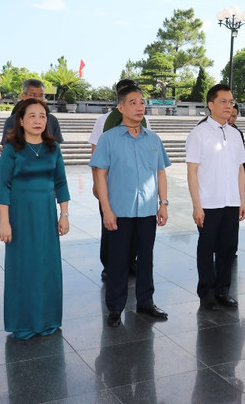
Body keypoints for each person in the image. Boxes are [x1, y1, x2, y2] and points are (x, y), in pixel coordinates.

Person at [90, 84, 171, 327]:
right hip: (120, 211)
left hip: (146, 210)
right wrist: (106, 209)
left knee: (146, 259)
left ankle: (146, 303)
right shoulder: (109, 139)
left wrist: (163, 204)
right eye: (133, 103)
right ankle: (115, 308)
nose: (139, 107)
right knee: (117, 261)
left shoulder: (153, 138)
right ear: (121, 107)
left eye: (142, 102)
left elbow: (161, 173)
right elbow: (100, 175)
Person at [0, 99, 70, 339]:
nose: (38, 121)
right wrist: (4, 221)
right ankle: (23, 322)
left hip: (46, 215)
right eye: (32, 116)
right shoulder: (12, 148)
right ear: (20, 121)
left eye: (42, 116)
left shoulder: (53, 148)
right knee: (23, 268)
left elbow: (61, 182)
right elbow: (3, 187)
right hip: (19, 216)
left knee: (46, 267)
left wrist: (64, 214)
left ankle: (47, 319)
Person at [186, 84, 245, 311]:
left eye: (231, 102)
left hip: (231, 201)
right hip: (208, 202)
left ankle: (223, 290)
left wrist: (241, 200)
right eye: (223, 101)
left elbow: (241, 169)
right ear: (210, 104)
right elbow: (192, 171)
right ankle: (207, 292)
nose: (228, 106)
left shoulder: (234, 134)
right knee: (206, 248)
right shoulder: (199, 134)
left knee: (228, 249)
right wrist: (196, 205)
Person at [89, 79, 139, 281]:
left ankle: (130, 261)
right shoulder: (104, 120)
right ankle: (108, 265)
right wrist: (96, 182)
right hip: (110, 183)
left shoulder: (143, 120)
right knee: (109, 225)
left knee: (135, 225)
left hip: (135, 184)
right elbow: (95, 150)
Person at [0, 79, 64, 146]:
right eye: (33, 95)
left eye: (41, 95)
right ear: (24, 96)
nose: (37, 99)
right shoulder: (12, 121)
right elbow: (6, 150)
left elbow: (57, 149)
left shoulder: (52, 120)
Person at [229, 103, 245, 191]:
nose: (231, 119)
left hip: (235, 176)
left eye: (234, 116)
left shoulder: (237, 133)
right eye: (229, 116)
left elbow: (242, 157)